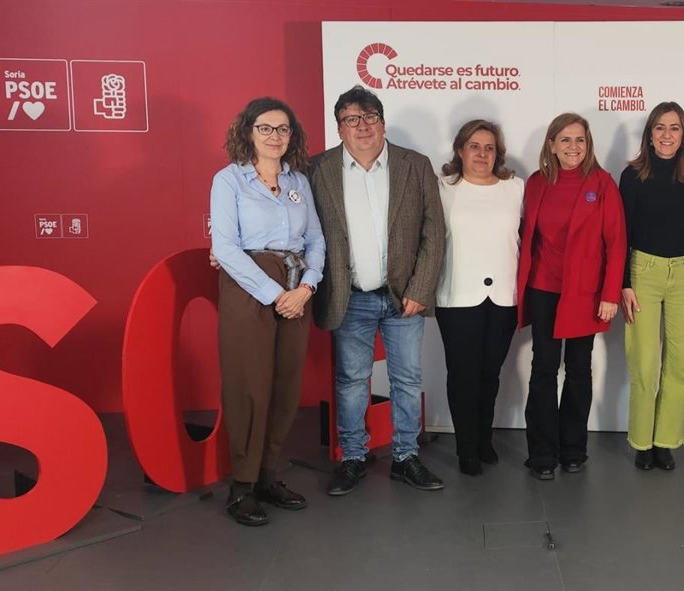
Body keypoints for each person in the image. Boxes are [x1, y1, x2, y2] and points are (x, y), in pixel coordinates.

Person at [308, 85, 447, 495]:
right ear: (339, 128)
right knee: (352, 381)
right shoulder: (317, 169)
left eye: (370, 117)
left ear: (383, 124)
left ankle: (406, 457)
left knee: (407, 379)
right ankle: (353, 457)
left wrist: (421, 288)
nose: (362, 126)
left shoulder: (415, 165)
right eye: (352, 119)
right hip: (349, 296)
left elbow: (434, 232)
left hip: (403, 297)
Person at [210, 97, 325, 526]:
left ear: (292, 136)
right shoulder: (229, 181)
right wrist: (275, 294)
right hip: (250, 290)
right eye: (265, 128)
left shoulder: (299, 181)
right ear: (248, 132)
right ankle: (241, 486)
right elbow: (225, 248)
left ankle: (266, 476)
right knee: (249, 385)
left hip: (297, 289)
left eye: (283, 129)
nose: (275, 136)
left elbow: (316, 240)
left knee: (284, 385)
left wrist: (307, 286)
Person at [517, 112, 626, 480]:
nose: (573, 146)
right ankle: (542, 454)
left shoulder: (603, 183)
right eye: (565, 139)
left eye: (580, 139)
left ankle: (574, 449)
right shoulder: (536, 183)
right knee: (544, 369)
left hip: (586, 292)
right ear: (551, 145)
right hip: (544, 289)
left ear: (588, 144)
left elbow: (616, 243)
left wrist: (610, 294)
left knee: (579, 369)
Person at [435, 120, 524, 476]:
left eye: (489, 148)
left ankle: (484, 438)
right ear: (460, 150)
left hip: (503, 296)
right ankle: (466, 447)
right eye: (474, 146)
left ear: (497, 153)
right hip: (457, 296)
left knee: (491, 373)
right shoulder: (442, 188)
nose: (482, 154)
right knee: (463, 374)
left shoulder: (515, 187)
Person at [619, 102, 684, 471]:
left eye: (675, 128)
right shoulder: (633, 176)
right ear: (649, 134)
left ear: (683, 136)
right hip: (644, 272)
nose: (667, 135)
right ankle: (642, 440)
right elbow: (621, 233)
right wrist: (623, 283)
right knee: (645, 361)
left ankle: (665, 440)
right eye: (660, 128)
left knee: (679, 360)